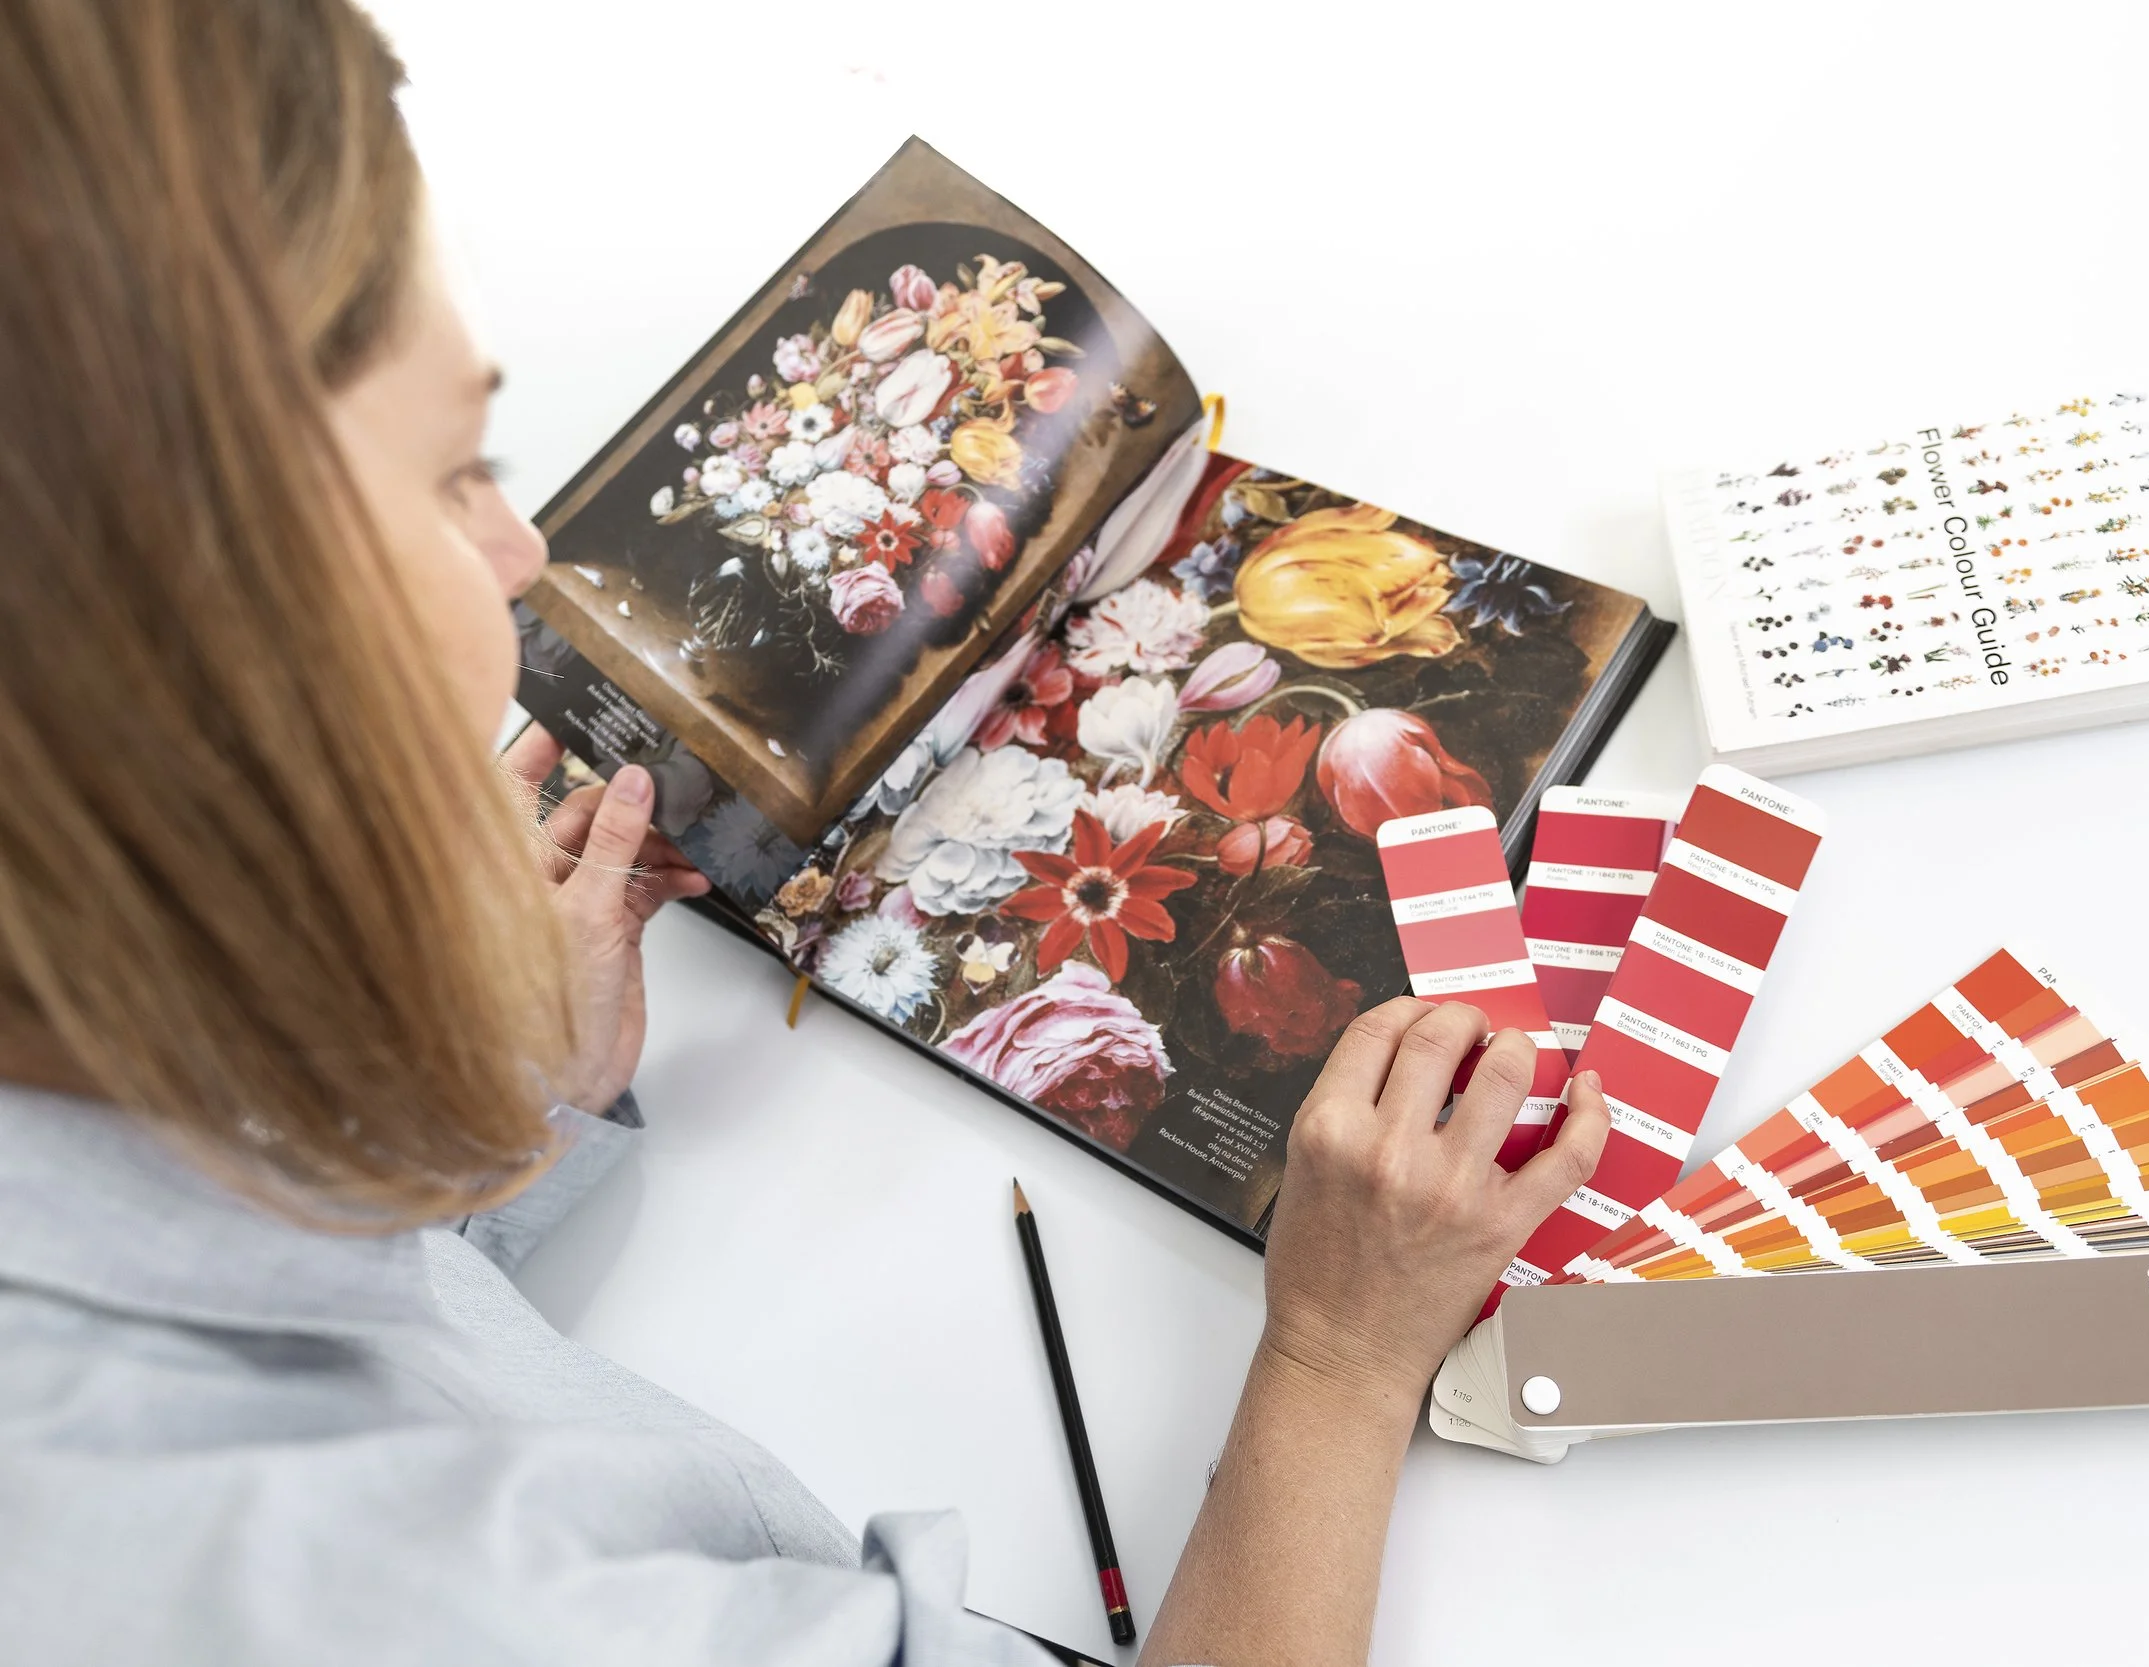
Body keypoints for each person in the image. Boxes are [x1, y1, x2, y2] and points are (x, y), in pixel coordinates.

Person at [0, 2, 1612, 1663]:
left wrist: (504, 1104)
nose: (516, 548)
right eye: (447, 477)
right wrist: (1342, 1358)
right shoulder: (424, 1603)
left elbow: (327, 1301)